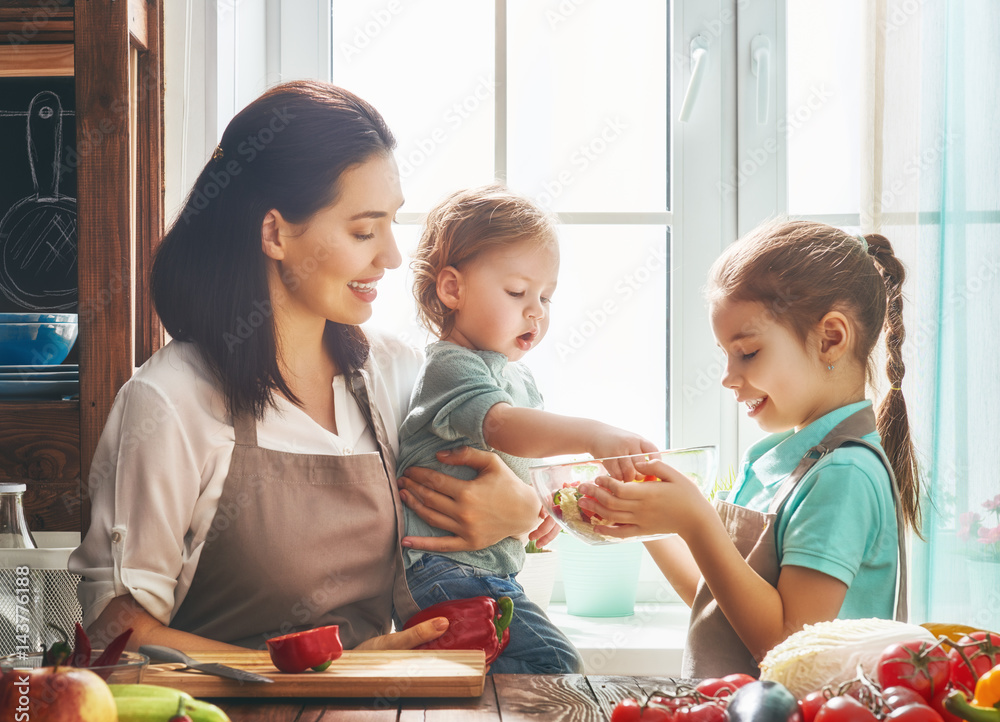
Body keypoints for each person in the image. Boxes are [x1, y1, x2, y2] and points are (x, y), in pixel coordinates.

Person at [68, 81, 556, 653]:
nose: (392, 257)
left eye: (391, 225)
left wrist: (521, 512)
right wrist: (304, 670)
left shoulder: (395, 374)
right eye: (362, 231)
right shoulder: (171, 400)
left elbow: (452, 548)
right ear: (275, 233)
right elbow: (113, 632)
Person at [578, 219, 920, 677]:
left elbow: (789, 647)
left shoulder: (844, 474)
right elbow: (715, 602)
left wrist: (695, 520)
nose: (727, 376)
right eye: (725, 354)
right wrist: (648, 521)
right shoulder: (772, 462)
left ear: (831, 338)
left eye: (748, 352)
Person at [396, 185, 658, 673]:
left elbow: (526, 456)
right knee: (551, 663)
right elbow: (500, 426)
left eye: (546, 296)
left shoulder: (519, 378)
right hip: (445, 572)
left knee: (519, 671)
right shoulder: (450, 365)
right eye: (517, 292)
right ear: (452, 289)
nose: (536, 310)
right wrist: (593, 435)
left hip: (487, 572)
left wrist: (546, 505)